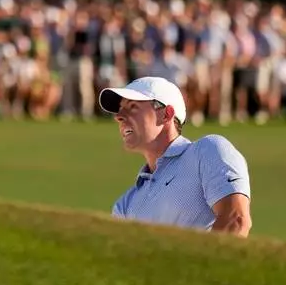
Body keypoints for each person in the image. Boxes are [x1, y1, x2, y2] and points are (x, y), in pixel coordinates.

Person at [99, 76, 252, 237]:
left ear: (166, 114)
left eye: (133, 107)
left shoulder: (207, 150)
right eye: (120, 109)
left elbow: (236, 220)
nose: (119, 116)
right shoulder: (125, 204)